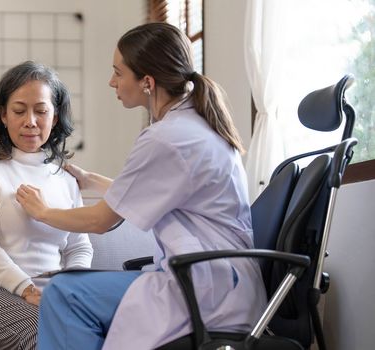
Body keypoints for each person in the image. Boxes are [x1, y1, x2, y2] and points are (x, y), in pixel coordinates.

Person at [15, 23, 267, 350]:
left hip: (205, 287)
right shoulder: (194, 126)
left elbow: (101, 221)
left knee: (65, 292)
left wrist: (43, 211)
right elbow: (145, 191)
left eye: (118, 73)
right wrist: (90, 179)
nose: (111, 82)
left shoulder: (166, 138)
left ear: (147, 82)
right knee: (73, 292)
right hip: (224, 280)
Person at [0, 61, 93, 350]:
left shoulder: (64, 176)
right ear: (3, 115)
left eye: (41, 111)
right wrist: (26, 288)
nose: (30, 121)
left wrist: (70, 288)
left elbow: (79, 246)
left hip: (48, 291)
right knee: (45, 336)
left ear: (54, 118)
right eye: (19, 111)